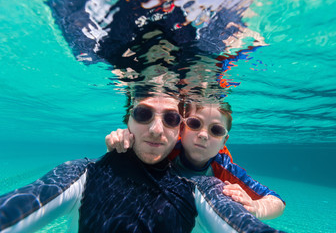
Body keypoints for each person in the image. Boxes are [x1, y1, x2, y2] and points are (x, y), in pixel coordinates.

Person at [0, 93, 283, 233]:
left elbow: (250, 219)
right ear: (127, 121)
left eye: (170, 118)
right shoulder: (83, 173)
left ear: (177, 129)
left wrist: (257, 207)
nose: (157, 130)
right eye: (144, 114)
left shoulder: (208, 182)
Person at [105, 101, 285, 220]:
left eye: (216, 130)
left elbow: (277, 201)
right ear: (182, 128)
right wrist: (121, 142)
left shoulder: (225, 168)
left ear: (224, 140)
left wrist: (256, 207)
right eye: (195, 124)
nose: (204, 135)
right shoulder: (167, 149)